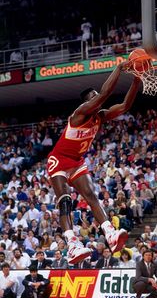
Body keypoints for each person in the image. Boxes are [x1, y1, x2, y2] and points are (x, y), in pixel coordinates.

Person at [47, 61, 140, 265]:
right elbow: (105, 94)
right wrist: (120, 68)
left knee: (91, 195)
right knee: (65, 200)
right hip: (59, 160)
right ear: (88, 101)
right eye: (94, 96)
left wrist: (136, 79)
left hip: (77, 161)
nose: (98, 99)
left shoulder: (100, 117)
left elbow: (125, 106)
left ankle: (110, 233)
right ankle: (72, 244)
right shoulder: (80, 113)